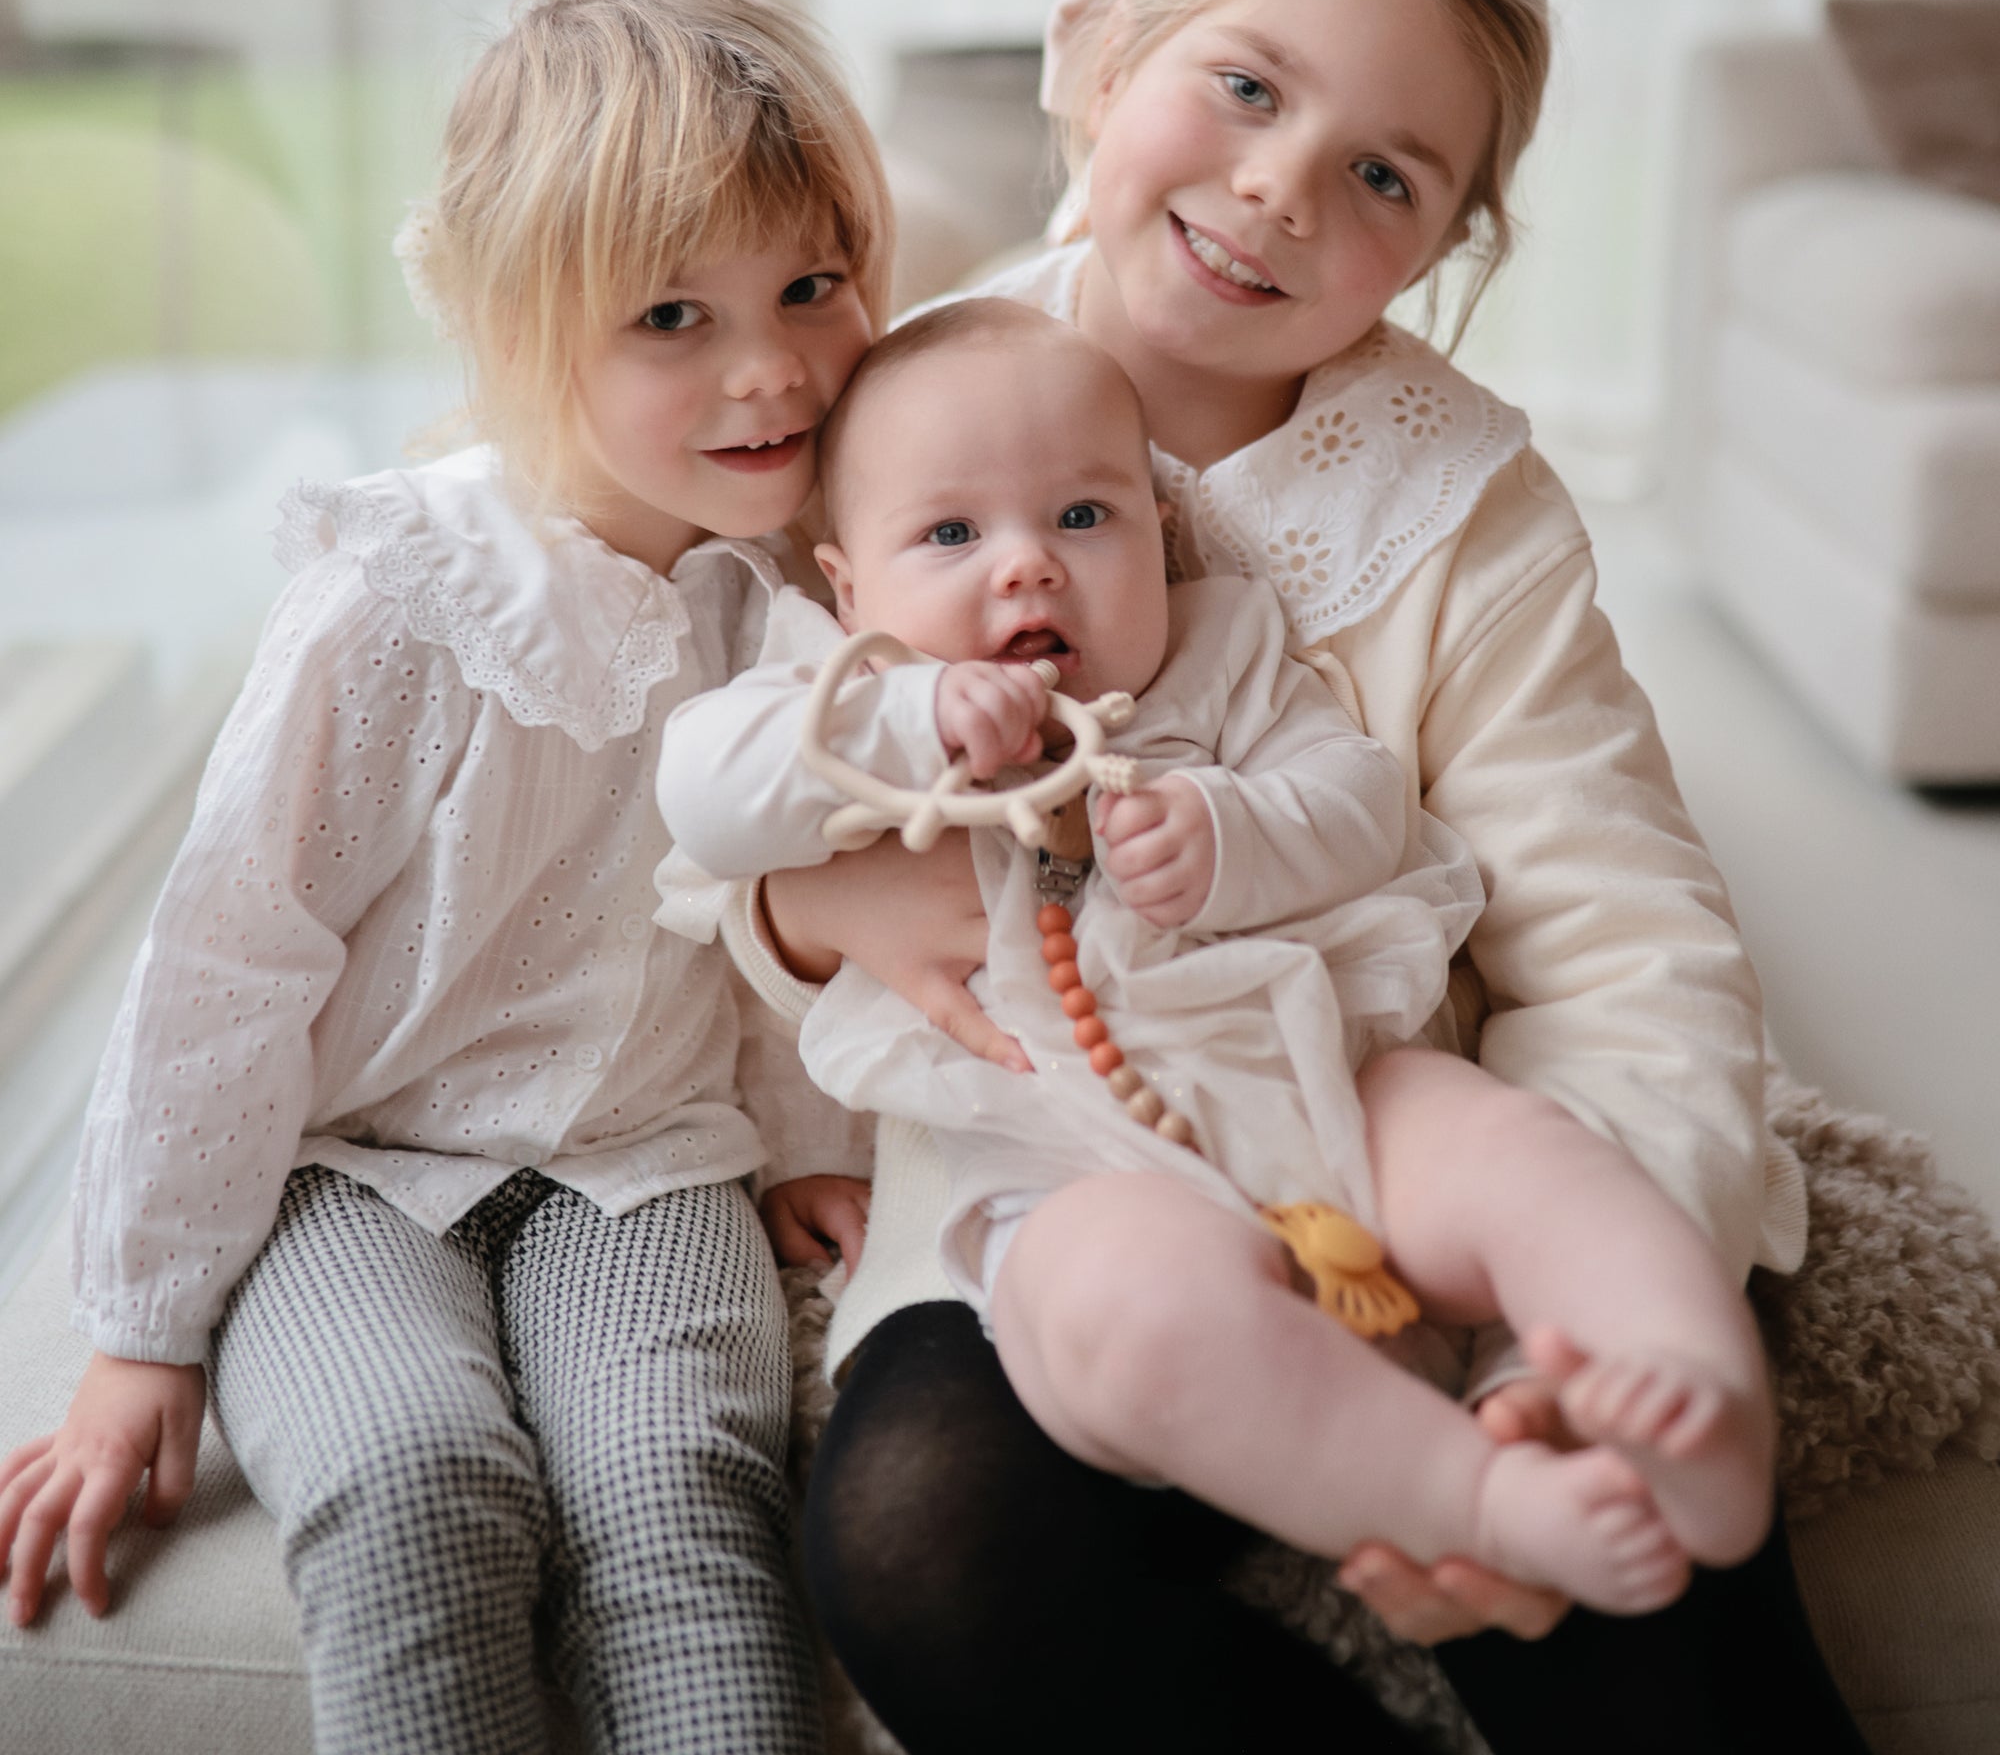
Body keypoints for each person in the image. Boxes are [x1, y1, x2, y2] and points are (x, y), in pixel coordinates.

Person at [723, 0, 1872, 1755]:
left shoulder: (1464, 504)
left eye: (1382, 176)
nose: (1275, 186)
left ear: (1441, 251)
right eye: (1244, 86)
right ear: (1097, 52)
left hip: (1374, 1110)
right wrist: (801, 909)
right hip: (1060, 1150)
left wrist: (1550, 1349)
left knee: (1644, 1566)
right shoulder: (890, 401)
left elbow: (1620, 928)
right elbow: (714, 789)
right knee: (927, 1543)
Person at [0, 0, 883, 1755]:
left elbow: (811, 897)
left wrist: (802, 1137)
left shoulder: (813, 588)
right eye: (672, 320)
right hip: (347, 1166)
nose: (772, 366)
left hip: (642, 1162)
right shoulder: (400, 604)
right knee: (414, 1481)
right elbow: (230, 955)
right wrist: (145, 1329)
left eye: (813, 284)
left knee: (683, 1490)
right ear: (519, 325)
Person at [659, 295, 1777, 1619]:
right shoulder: (829, 694)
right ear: (846, 586)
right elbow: (703, 801)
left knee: (1518, 1156)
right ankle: (1475, 1502)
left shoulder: (1223, 653)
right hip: (1071, 1167)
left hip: (1330, 1081)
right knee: (1123, 1323)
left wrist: (1231, 835)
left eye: (1086, 518)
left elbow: (1365, 803)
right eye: (951, 536)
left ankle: (1676, 1378)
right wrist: (914, 710)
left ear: (1161, 527)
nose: (1026, 567)